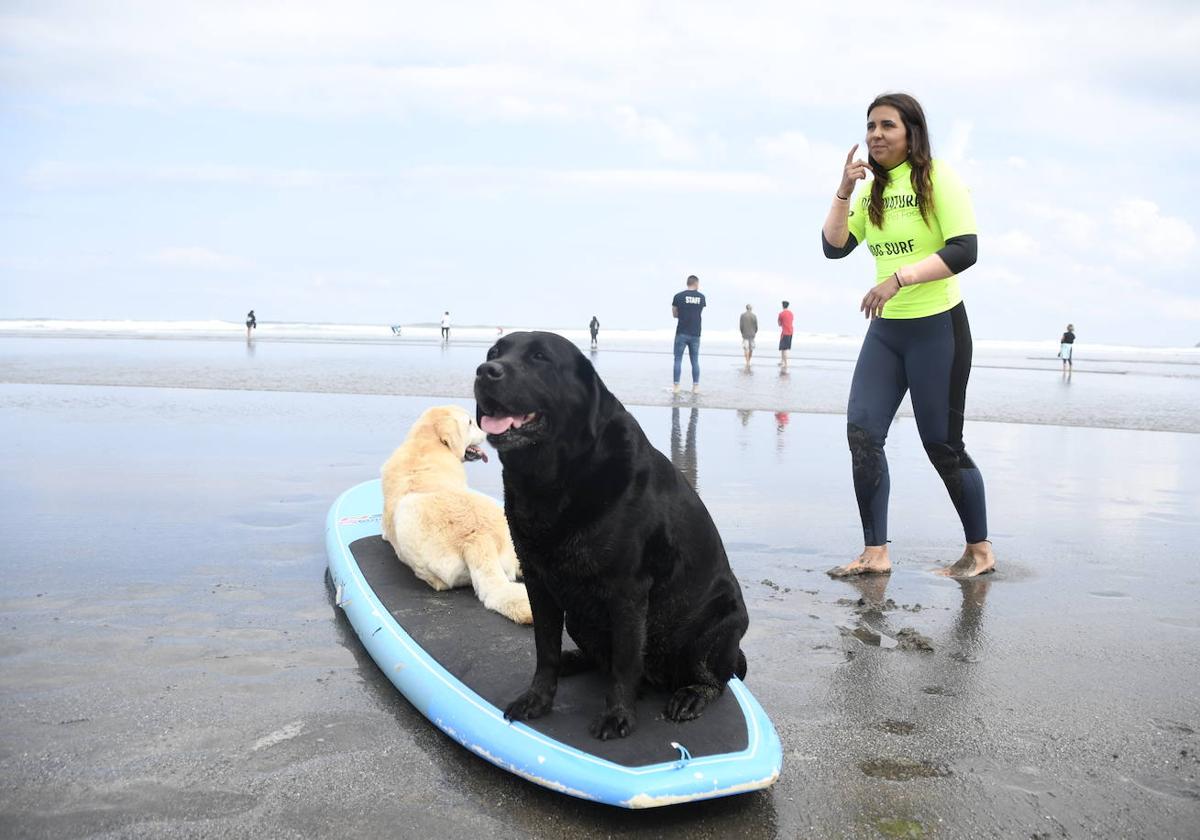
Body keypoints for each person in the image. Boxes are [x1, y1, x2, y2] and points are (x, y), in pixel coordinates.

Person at [820, 91, 994, 579]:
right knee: (862, 434)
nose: (876, 134)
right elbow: (835, 248)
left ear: (910, 132)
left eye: (887, 125)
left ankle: (980, 550)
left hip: (938, 327)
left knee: (942, 444)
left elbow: (966, 249)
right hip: (887, 334)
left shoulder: (938, 178)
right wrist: (843, 191)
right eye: (871, 126)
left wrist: (899, 278)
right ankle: (875, 552)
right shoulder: (873, 190)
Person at [671, 275, 706, 394]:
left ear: (688, 283)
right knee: (695, 360)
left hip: (681, 331)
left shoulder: (678, 296)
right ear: (696, 284)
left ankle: (676, 386)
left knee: (678, 359)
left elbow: (674, 314)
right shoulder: (701, 297)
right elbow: (699, 312)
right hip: (696, 332)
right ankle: (696, 387)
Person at [777, 301, 794, 371]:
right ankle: (782, 361)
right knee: (783, 348)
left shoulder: (781, 314)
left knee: (784, 349)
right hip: (790, 331)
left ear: (782, 306)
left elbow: (779, 324)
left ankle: (785, 363)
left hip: (785, 332)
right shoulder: (791, 313)